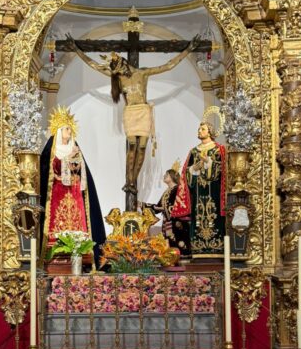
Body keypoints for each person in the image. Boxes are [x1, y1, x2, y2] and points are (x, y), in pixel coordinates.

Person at [67, 36, 198, 210]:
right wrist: (77, 50)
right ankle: (128, 181)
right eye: (117, 70)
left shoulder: (142, 73)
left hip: (143, 111)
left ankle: (132, 181)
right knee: (132, 147)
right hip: (130, 113)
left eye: (121, 67)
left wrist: (187, 50)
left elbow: (167, 66)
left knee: (142, 147)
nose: (121, 72)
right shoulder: (119, 78)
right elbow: (95, 65)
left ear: (124, 62)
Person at [39, 105, 106, 263]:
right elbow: (49, 169)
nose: (70, 132)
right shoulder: (52, 149)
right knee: (58, 222)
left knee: (77, 222)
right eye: (67, 129)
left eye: (70, 129)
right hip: (57, 193)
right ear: (60, 130)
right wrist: (67, 160)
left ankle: (82, 254)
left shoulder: (74, 148)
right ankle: (54, 255)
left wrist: (76, 163)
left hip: (75, 193)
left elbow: (82, 172)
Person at [172, 120, 227, 257]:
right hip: (198, 192)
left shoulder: (219, 149)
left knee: (214, 217)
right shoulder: (194, 151)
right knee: (198, 217)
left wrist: (209, 162)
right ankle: (198, 249)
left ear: (210, 131)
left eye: (202, 129)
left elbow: (223, 170)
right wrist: (194, 168)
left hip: (214, 191)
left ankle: (217, 248)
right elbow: (186, 174)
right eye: (199, 129)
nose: (199, 131)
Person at [146, 163, 191, 257]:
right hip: (167, 222)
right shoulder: (166, 192)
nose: (164, 176)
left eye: (167, 174)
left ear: (172, 176)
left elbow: (179, 205)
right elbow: (157, 207)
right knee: (170, 244)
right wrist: (143, 205)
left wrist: (163, 208)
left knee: (180, 244)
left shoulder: (178, 189)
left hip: (177, 222)